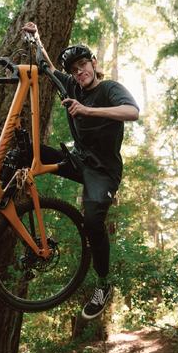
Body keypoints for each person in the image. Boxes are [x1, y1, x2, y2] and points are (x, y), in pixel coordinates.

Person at [21, 22, 140, 320]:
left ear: (94, 64)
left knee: (92, 222)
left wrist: (88, 110)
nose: (79, 72)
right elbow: (49, 68)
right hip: (77, 160)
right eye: (74, 69)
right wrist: (37, 39)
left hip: (104, 172)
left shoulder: (110, 88)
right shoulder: (72, 84)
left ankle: (103, 284)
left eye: (83, 64)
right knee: (24, 147)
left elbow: (132, 112)